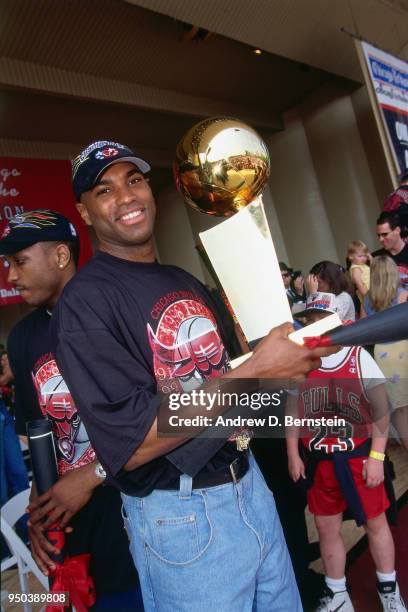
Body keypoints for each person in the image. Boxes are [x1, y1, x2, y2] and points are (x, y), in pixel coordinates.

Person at [50, 140, 335, 611]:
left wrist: (287, 357)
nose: (126, 196)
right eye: (105, 190)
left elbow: (238, 380)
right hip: (181, 517)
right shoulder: (85, 302)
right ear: (84, 212)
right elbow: (134, 441)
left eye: (135, 180)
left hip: (250, 485)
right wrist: (259, 371)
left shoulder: (182, 280)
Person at [0, 210, 142, 609]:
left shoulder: (118, 313)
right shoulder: (23, 338)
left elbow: (164, 416)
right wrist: (40, 514)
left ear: (61, 256)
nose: (11, 276)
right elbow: (44, 436)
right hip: (77, 529)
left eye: (20, 262)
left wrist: (91, 476)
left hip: (136, 513)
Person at [288, 292, 406, 612]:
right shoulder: (302, 360)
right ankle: (338, 594)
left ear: (341, 323)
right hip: (320, 463)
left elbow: (382, 411)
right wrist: (293, 454)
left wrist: (378, 457)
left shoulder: (357, 356)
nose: (315, 326)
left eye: (323, 320)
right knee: (327, 529)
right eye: (310, 320)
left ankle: (388, 588)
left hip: (358, 459)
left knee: (375, 524)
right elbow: (292, 412)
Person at [361, 256, 408, 452]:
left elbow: (364, 333)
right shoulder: (404, 295)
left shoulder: (367, 301)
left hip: (382, 354)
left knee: (401, 409)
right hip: (404, 349)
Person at [373, 211, 408, 289]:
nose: (380, 239)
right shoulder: (375, 258)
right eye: (379, 235)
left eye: (385, 234)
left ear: (397, 230)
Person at [347, 240, 371, 305]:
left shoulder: (363, 265)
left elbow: (375, 267)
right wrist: (368, 297)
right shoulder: (356, 269)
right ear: (351, 256)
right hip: (368, 295)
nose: (363, 258)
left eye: (365, 256)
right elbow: (359, 284)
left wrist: (371, 258)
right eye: (360, 256)